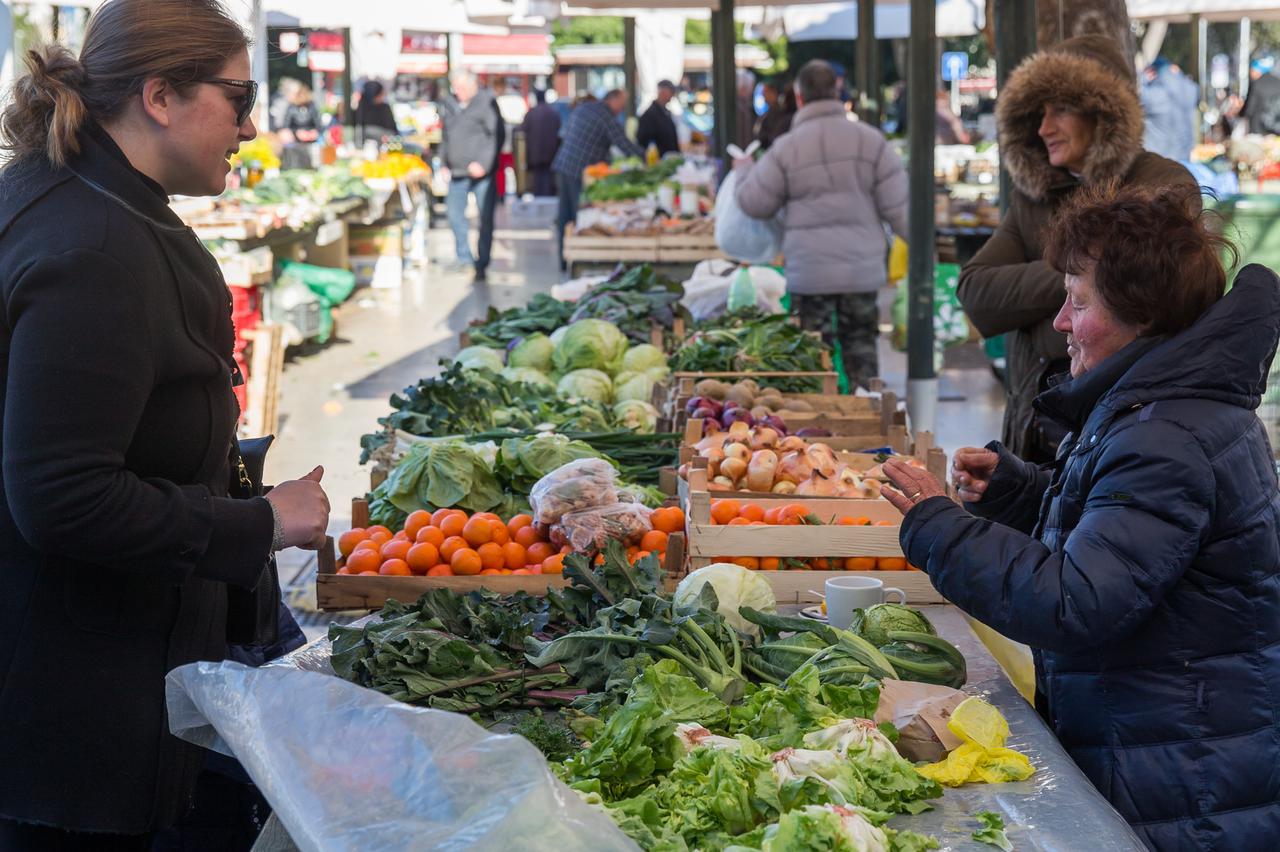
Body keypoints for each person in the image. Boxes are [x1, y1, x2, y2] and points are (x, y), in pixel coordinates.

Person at [0, 1, 331, 848]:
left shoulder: (71, 196)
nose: (251, 127)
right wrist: (258, 522)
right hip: (71, 719)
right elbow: (63, 494)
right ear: (158, 97)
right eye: (238, 97)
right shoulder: (92, 248)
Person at [881, 181, 1280, 850]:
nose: (1061, 322)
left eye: (1079, 301)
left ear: (1141, 315)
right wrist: (1017, 492)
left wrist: (937, 526)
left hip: (1186, 778)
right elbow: (1135, 545)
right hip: (1176, 744)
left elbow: (1078, 603)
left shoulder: (1166, 435)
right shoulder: (1164, 409)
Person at [957, 34, 1197, 463]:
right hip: (1034, 423)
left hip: (1129, 424)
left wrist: (1035, 305)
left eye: (1061, 110)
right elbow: (977, 295)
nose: (1044, 128)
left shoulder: (1165, 184)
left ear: (1104, 112)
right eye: (1038, 112)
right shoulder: (1034, 195)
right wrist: (1088, 278)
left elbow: (1147, 300)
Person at [733, 59, 907, 391]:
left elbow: (754, 204)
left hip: (809, 276)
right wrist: (931, 252)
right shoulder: (871, 142)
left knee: (814, 362)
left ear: (799, 97)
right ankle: (872, 427)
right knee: (862, 356)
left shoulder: (786, 148)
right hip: (862, 273)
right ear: (838, 90)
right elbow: (900, 210)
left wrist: (742, 170)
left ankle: (818, 437)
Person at [551, 88, 644, 269]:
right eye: (622, 105)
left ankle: (565, 258)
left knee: (565, 215)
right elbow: (623, 144)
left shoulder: (585, 108)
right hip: (578, 170)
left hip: (563, 165)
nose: (622, 109)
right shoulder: (606, 117)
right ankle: (575, 258)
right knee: (579, 215)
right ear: (613, 100)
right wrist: (646, 157)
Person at [438, 70, 504, 282]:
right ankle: (464, 258)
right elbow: (445, 136)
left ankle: (482, 263)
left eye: (463, 88)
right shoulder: (449, 103)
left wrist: (484, 163)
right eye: (456, 88)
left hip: (481, 173)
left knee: (485, 218)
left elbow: (497, 136)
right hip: (456, 171)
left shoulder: (486, 103)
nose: (458, 92)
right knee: (454, 214)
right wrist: (444, 162)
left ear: (474, 86)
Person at [1141, 57, 1199, 161]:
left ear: (1153, 73)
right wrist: (1177, 75)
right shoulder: (1190, 92)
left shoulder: (1157, 95)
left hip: (1158, 163)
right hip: (1184, 161)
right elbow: (1191, 85)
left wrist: (1143, 77)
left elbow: (1131, 92)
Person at [521, 88, 561, 197]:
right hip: (550, 150)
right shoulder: (553, 113)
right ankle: (547, 195)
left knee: (538, 177)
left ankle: (539, 196)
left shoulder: (531, 113)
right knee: (548, 175)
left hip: (535, 151)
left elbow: (523, 130)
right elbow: (559, 129)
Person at [279, 81, 322, 170]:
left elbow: (318, 123)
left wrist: (314, 132)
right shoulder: (292, 107)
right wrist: (296, 133)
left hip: (311, 141)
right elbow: (286, 125)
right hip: (296, 142)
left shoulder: (312, 106)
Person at [637, 79, 679, 158]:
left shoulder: (665, 111)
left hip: (669, 159)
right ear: (662, 92)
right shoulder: (649, 114)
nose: (672, 96)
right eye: (671, 93)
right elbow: (643, 140)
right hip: (658, 160)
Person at [353, 80, 398, 146]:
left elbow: (393, 132)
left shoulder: (362, 107)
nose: (382, 96)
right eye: (381, 94)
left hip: (383, 147)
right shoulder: (361, 108)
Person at [1242, 56, 1280, 136]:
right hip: (1276, 130)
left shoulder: (1256, 84)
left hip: (1257, 129)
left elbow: (1249, 109)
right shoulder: (1278, 82)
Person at [754, 79, 796, 150]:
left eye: (765, 92)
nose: (764, 96)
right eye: (763, 93)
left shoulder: (781, 113)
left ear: (774, 92)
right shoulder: (768, 113)